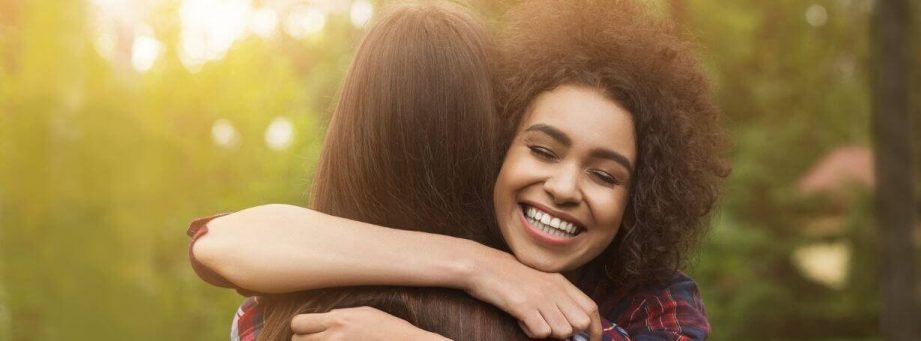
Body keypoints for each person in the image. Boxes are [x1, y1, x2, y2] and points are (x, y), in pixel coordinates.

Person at [190, 0, 727, 339]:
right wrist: (480, 266)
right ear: (497, 146)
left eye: (605, 175)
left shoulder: (655, 307)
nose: (563, 188)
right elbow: (217, 243)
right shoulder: (343, 282)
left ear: (646, 196)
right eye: (542, 150)